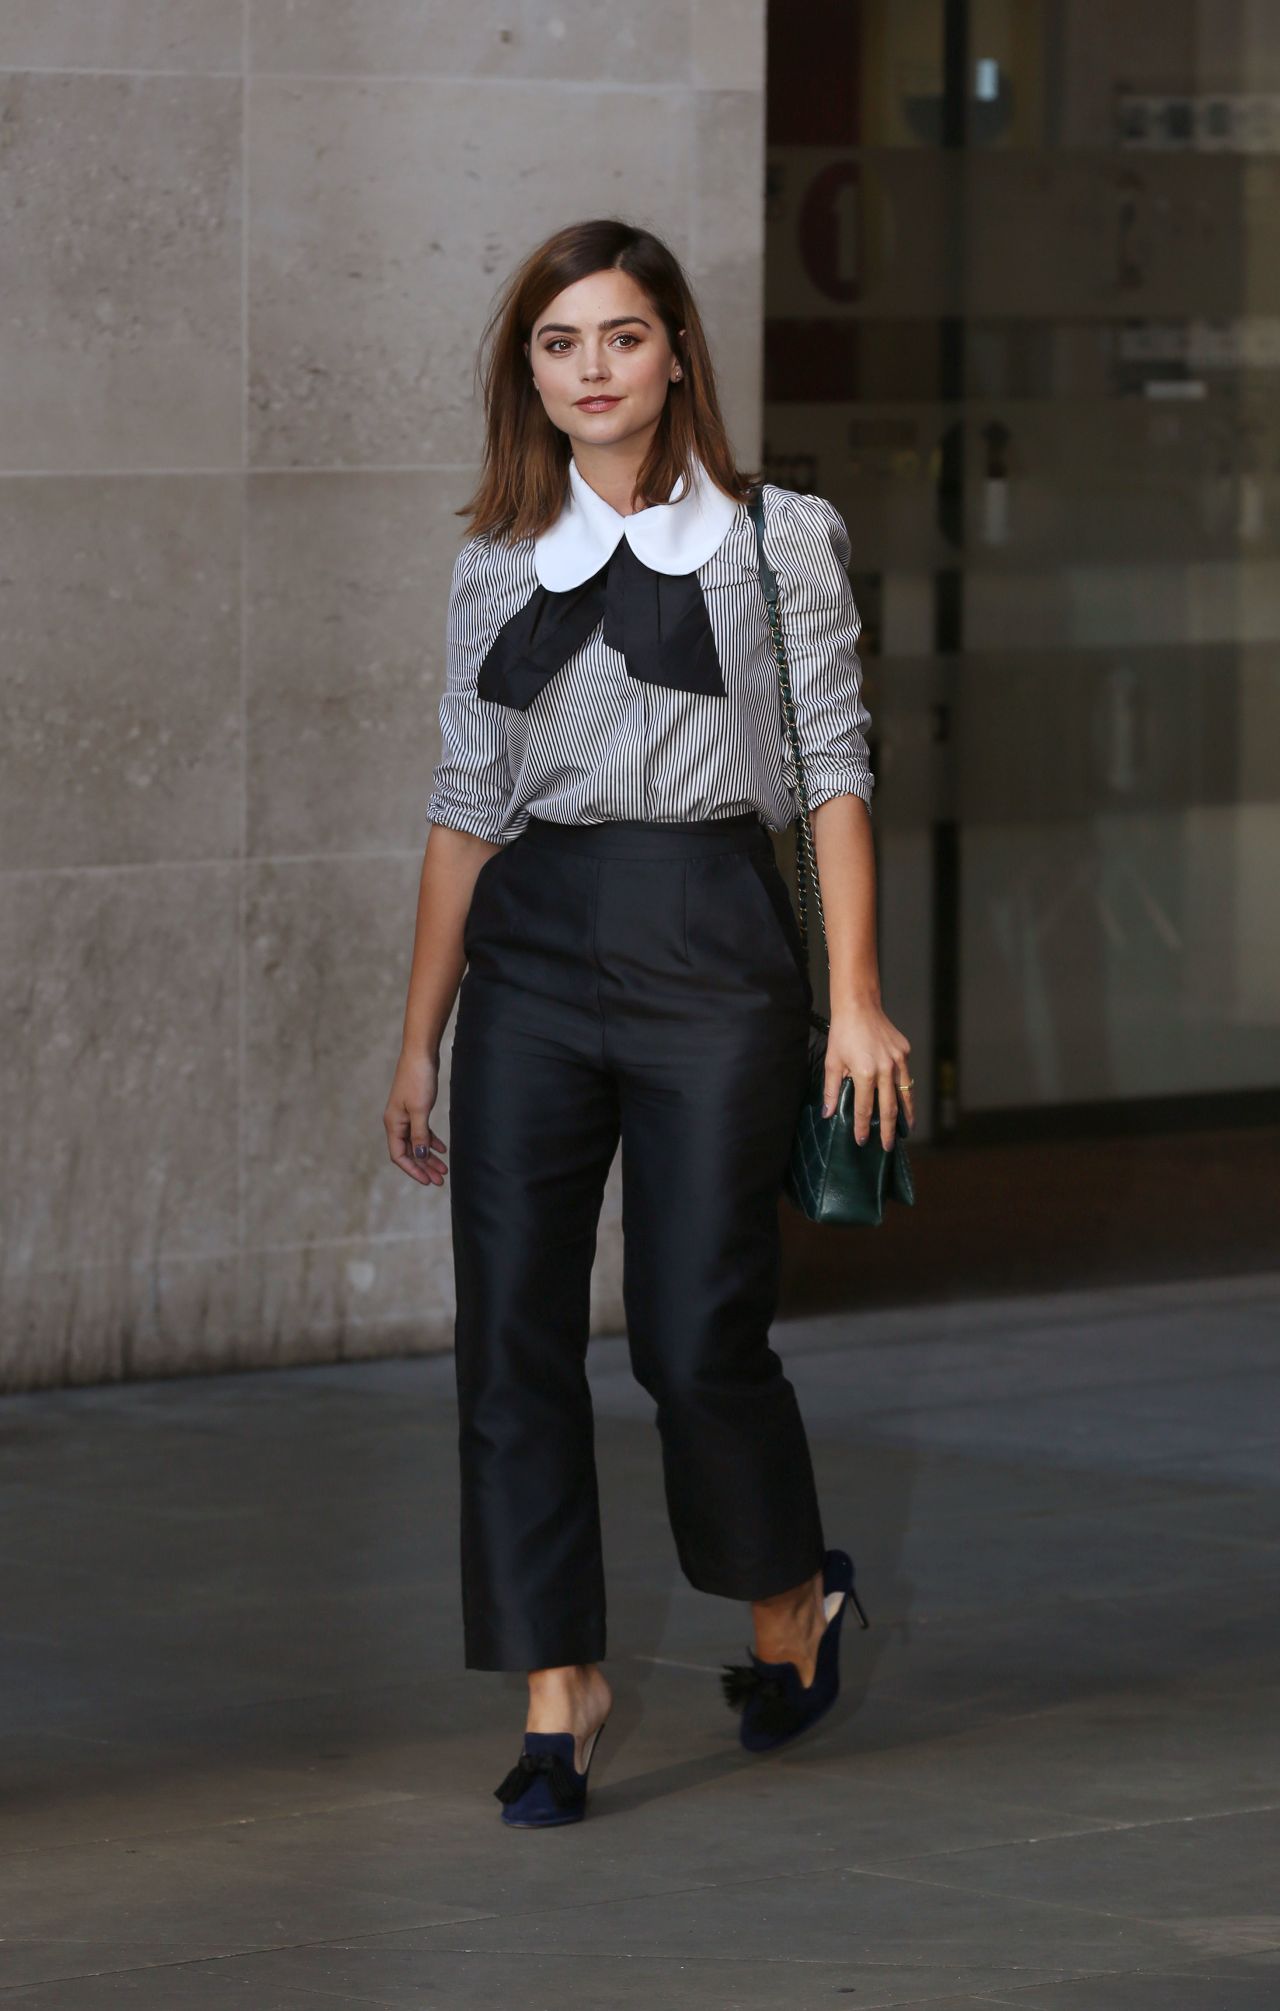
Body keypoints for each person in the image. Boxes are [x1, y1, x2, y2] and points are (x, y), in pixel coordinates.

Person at [383, 217, 915, 1827]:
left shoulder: (777, 541)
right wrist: (417, 1037)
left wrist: (858, 1003)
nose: (592, 370)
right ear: (528, 376)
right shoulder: (494, 563)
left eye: (620, 336)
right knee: (512, 1338)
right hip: (532, 954)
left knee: (697, 1338)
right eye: (559, 345)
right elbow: (465, 808)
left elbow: (831, 769)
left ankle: (783, 1604)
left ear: (677, 349)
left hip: (709, 943)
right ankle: (562, 1686)